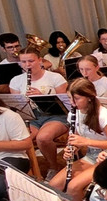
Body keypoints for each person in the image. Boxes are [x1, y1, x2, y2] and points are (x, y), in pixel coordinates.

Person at [47, 78, 107, 201]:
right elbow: (77, 138)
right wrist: (72, 148)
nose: (72, 103)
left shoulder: (103, 116)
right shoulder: (74, 113)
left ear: (90, 97)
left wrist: (86, 142)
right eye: (70, 99)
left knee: (73, 187)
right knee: (54, 185)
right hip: (91, 155)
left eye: (76, 99)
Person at [10, 46, 68, 174]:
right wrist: (23, 101)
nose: (27, 65)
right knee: (21, 140)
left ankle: (53, 168)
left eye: (31, 61)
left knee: (43, 138)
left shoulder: (55, 78)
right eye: (23, 62)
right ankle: (30, 172)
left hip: (55, 115)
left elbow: (64, 104)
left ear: (40, 60)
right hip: (31, 116)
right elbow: (16, 107)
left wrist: (41, 96)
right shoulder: (15, 81)